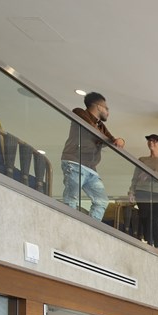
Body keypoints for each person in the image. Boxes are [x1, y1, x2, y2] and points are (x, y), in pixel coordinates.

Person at [60, 92, 125, 220]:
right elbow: (94, 131)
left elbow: (112, 140)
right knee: (71, 198)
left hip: (91, 168)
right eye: (106, 108)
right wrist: (105, 138)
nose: (108, 112)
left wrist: (121, 140)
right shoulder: (79, 113)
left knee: (101, 201)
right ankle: (69, 226)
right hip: (74, 162)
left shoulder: (101, 126)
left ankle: (90, 229)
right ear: (99, 106)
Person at [128, 134, 158, 249]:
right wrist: (131, 192)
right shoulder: (142, 160)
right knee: (144, 218)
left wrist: (150, 174)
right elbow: (135, 177)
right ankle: (149, 243)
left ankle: (157, 245)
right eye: (149, 141)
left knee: (155, 220)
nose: (150, 143)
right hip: (142, 191)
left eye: (154, 141)